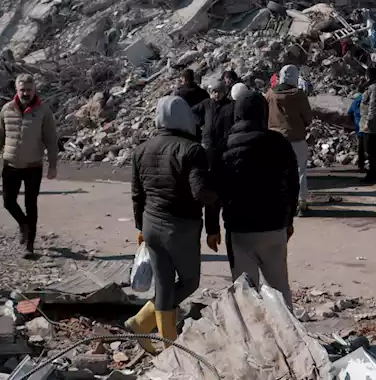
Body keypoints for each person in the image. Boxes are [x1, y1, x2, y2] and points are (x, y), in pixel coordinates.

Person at [126, 96, 217, 345]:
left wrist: (139, 228)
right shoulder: (192, 149)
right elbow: (201, 192)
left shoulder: (141, 149)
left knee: (165, 284)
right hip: (180, 228)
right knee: (189, 281)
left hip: (150, 225)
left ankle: (166, 341)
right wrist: (221, 194)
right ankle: (143, 322)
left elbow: (137, 194)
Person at [213, 91, 298, 307]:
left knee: (245, 293)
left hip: (239, 230)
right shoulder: (279, 143)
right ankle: (289, 337)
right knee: (279, 289)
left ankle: (252, 337)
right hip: (274, 227)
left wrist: (212, 227)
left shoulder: (223, 146)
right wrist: (289, 220)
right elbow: (292, 185)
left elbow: (214, 191)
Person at [0, 75, 59, 258]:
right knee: (8, 201)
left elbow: (51, 140)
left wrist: (53, 165)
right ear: (16, 90)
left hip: (33, 166)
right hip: (10, 164)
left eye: (29, 89)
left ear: (34, 89)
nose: (26, 93)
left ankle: (29, 245)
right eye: (22, 90)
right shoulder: (7, 109)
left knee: (31, 204)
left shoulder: (43, 111)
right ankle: (23, 224)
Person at [267, 65, 314, 215]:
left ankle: (278, 201)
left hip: (275, 138)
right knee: (300, 170)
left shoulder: (270, 94)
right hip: (296, 138)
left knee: (277, 171)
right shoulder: (299, 95)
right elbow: (307, 117)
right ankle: (301, 203)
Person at [348, 88, 365, 172]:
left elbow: (349, 112)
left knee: (361, 147)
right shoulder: (369, 98)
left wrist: (354, 121)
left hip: (359, 126)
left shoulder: (355, 101)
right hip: (369, 126)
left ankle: (361, 165)